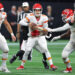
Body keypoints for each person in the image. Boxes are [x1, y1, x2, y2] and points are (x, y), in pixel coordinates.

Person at [16, 3, 57, 71]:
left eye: (39, 10)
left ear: (41, 10)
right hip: (32, 37)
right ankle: (21, 66)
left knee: (45, 49)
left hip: (40, 36)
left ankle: (52, 65)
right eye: (36, 10)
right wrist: (29, 24)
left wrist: (43, 30)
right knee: (27, 51)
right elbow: (21, 22)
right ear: (33, 10)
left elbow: (45, 28)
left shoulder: (44, 17)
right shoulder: (30, 16)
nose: (37, 12)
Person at [10, 2, 49, 69]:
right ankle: (15, 56)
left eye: (26, 7)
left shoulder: (34, 14)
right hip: (26, 35)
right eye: (23, 7)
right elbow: (20, 23)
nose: (24, 8)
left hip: (35, 36)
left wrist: (42, 30)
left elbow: (40, 24)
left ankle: (44, 61)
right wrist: (18, 32)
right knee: (23, 50)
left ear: (28, 7)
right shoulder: (22, 14)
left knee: (44, 51)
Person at [47, 9, 74, 73]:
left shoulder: (72, 19)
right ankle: (69, 68)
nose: (63, 17)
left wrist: (51, 30)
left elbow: (63, 28)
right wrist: (58, 37)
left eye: (65, 16)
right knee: (64, 55)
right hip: (73, 42)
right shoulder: (71, 21)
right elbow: (68, 32)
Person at [0, 3, 16, 73]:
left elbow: (6, 23)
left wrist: (12, 34)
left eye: (1, 10)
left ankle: (3, 67)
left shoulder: (3, 14)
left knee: (6, 49)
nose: (1, 12)